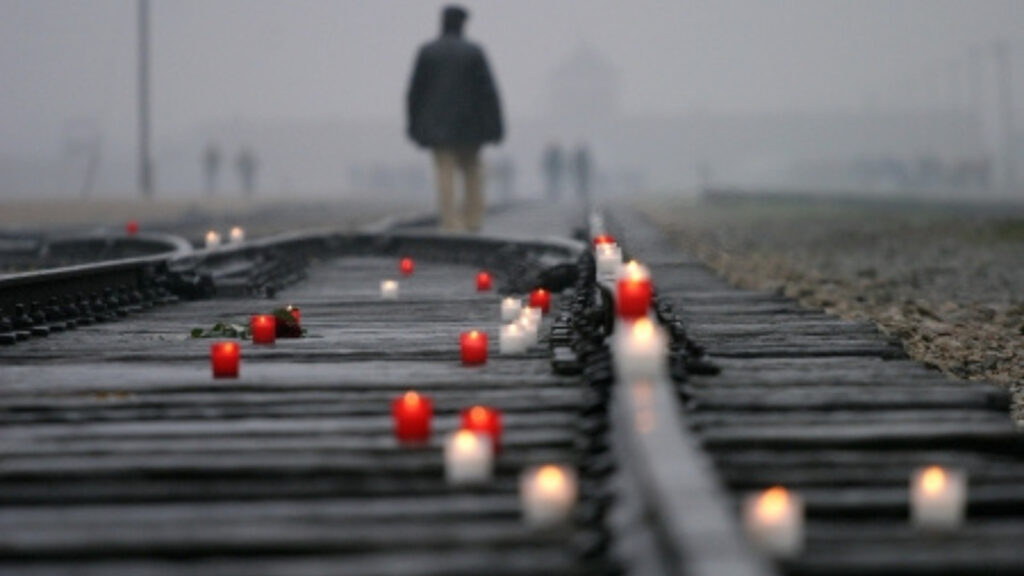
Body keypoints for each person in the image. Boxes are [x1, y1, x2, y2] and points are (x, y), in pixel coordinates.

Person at [406, 5, 503, 232]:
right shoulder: (474, 52)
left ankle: (450, 221)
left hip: (437, 127)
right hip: (471, 126)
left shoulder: (428, 52)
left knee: (444, 172)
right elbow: (487, 92)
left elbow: (415, 92)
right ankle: (473, 218)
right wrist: (495, 127)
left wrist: (414, 125)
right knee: (472, 170)